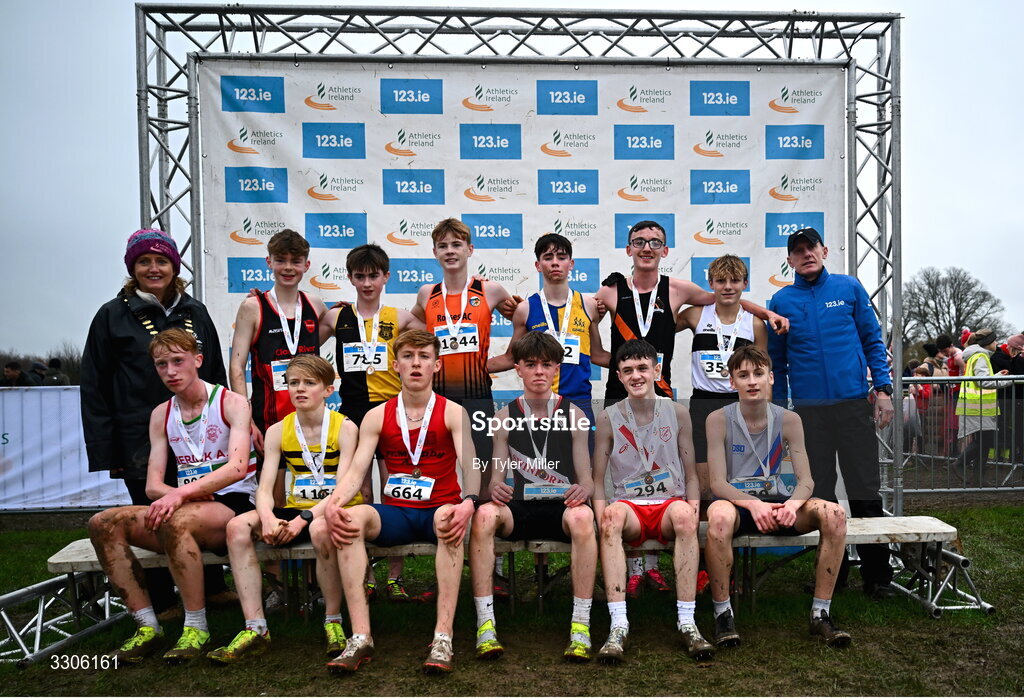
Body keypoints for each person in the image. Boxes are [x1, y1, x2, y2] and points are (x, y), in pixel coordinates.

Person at [81, 228, 230, 618]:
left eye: (161, 261)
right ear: (132, 268)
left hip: (198, 432)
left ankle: (213, 589)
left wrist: (231, 422)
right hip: (137, 438)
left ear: (174, 267)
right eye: (144, 261)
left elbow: (214, 372)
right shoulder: (111, 315)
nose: (153, 268)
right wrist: (107, 451)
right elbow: (94, 385)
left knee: (201, 503)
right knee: (153, 515)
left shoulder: (195, 312)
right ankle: (164, 602)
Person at [87, 329, 256, 663]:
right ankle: (147, 627)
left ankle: (196, 628)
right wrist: (181, 496)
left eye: (178, 361)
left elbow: (237, 468)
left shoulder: (232, 402)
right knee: (102, 523)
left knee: (175, 521)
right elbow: (152, 485)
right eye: (161, 364)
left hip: (230, 503)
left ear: (198, 360)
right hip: (187, 503)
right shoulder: (160, 414)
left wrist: (181, 495)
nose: (170, 371)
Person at [323, 330, 480, 674]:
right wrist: (335, 503)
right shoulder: (377, 415)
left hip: (439, 509)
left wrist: (469, 501)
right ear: (395, 365)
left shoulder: (453, 412)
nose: (416, 364)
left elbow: (471, 464)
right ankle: (360, 636)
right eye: (408, 356)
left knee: (449, 520)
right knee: (349, 520)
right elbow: (356, 471)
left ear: (437, 365)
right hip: (397, 513)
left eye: (424, 356)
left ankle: (443, 636)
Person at [208, 355, 363, 664]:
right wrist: (267, 518)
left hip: (333, 509)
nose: (300, 389)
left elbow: (343, 490)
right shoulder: (278, 430)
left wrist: (303, 520)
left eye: (309, 383)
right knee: (237, 526)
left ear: (328, 390)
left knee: (320, 528)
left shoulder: (345, 427)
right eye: (293, 383)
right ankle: (256, 627)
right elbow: (265, 488)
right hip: (296, 510)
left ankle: (333, 620)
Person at [767, 227, 894, 599]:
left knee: (864, 489)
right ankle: (832, 577)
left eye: (812, 247)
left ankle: (878, 577)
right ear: (789, 260)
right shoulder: (781, 300)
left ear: (824, 251)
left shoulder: (848, 287)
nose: (806, 254)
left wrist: (883, 389)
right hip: (809, 415)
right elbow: (777, 363)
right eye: (798, 250)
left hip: (853, 405)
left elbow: (872, 340)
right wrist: (780, 412)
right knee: (820, 496)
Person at [704, 345, 850, 648]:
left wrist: (793, 505)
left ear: (771, 377)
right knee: (717, 517)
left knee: (835, 514)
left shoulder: (789, 419)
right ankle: (723, 615)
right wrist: (754, 505)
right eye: (743, 375)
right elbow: (717, 483)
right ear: (731, 381)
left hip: (783, 505)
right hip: (739, 504)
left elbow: (806, 480)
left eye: (758, 373)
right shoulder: (717, 419)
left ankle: (820, 614)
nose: (752, 381)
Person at [471, 332, 597, 661]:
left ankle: (580, 625)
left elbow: (587, 480)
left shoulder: (575, 414)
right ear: (518, 369)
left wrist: (584, 489)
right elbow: (496, 478)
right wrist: (495, 488)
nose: (539, 371)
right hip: (522, 508)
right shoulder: (503, 417)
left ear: (557, 368)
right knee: (484, 515)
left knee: (583, 517)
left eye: (546, 364)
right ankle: (485, 624)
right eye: (530, 365)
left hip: (562, 507)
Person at [592, 339, 713, 664]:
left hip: (668, 505)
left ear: (657, 370)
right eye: (628, 370)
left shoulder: (677, 412)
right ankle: (618, 625)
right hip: (629, 507)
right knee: (611, 518)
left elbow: (691, 474)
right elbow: (598, 479)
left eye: (643, 368)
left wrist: (693, 508)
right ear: (618, 375)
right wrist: (602, 517)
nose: (636, 376)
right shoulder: (608, 417)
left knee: (685, 517)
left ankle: (687, 622)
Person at [320, 244, 425, 601]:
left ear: (386, 277)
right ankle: (365, 574)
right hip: (353, 413)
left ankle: (395, 576)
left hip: (392, 413)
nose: (367, 283)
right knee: (361, 493)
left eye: (373, 276)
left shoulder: (401, 317)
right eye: (360, 276)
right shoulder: (335, 317)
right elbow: (300, 339)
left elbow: (435, 338)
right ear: (350, 278)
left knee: (395, 489)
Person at [410, 218, 515, 485]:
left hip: (477, 395)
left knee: (483, 462)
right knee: (436, 464)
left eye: (456, 244)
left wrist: (506, 359)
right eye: (443, 246)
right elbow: (411, 327)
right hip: (437, 397)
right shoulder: (427, 293)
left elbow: (523, 316)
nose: (450, 251)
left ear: (470, 249)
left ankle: (484, 510)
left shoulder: (489, 289)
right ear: (435, 252)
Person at [487, 233, 610, 435]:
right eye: (548, 257)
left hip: (579, 402)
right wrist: (472, 367)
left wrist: (640, 363)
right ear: (538, 265)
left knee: (583, 456)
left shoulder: (589, 305)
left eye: (561, 257)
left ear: (571, 264)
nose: (555, 263)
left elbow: (597, 355)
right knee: (541, 456)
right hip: (539, 405)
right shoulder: (525, 309)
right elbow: (511, 357)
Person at [676, 254, 767, 499]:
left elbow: (763, 374)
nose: (728, 286)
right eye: (721, 281)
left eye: (735, 280)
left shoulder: (755, 324)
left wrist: (764, 413)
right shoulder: (695, 315)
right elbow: (660, 323)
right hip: (703, 403)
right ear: (711, 284)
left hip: (741, 404)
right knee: (704, 482)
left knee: (741, 479)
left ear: (745, 283)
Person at [229, 229, 327, 452]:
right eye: (281, 260)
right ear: (269, 262)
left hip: (312, 418)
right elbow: (236, 367)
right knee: (272, 475)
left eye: (296, 261)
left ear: (307, 265)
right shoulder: (252, 307)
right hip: (267, 418)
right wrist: (245, 420)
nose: (288, 267)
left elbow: (335, 329)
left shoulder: (315, 304)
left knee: (312, 475)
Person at [953, 329, 1012, 484]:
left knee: (984, 441)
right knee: (985, 441)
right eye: (994, 340)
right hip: (978, 406)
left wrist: (997, 376)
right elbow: (983, 382)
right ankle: (959, 464)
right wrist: (1009, 381)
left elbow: (981, 379)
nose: (996, 343)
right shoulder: (981, 356)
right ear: (987, 343)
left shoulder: (976, 355)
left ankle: (979, 477)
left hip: (976, 405)